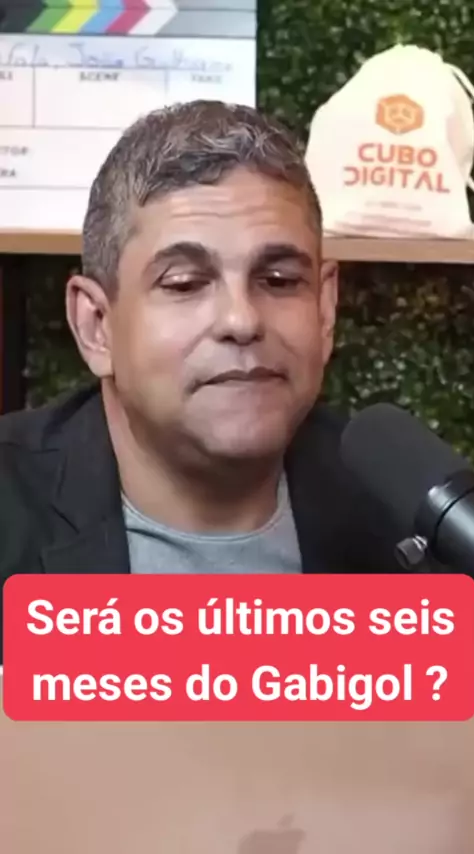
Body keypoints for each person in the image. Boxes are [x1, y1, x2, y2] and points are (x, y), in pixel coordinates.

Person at [0, 100, 402, 661]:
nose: (242, 320)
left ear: (325, 308)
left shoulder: (404, 517)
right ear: (96, 325)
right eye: (185, 284)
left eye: (279, 280)